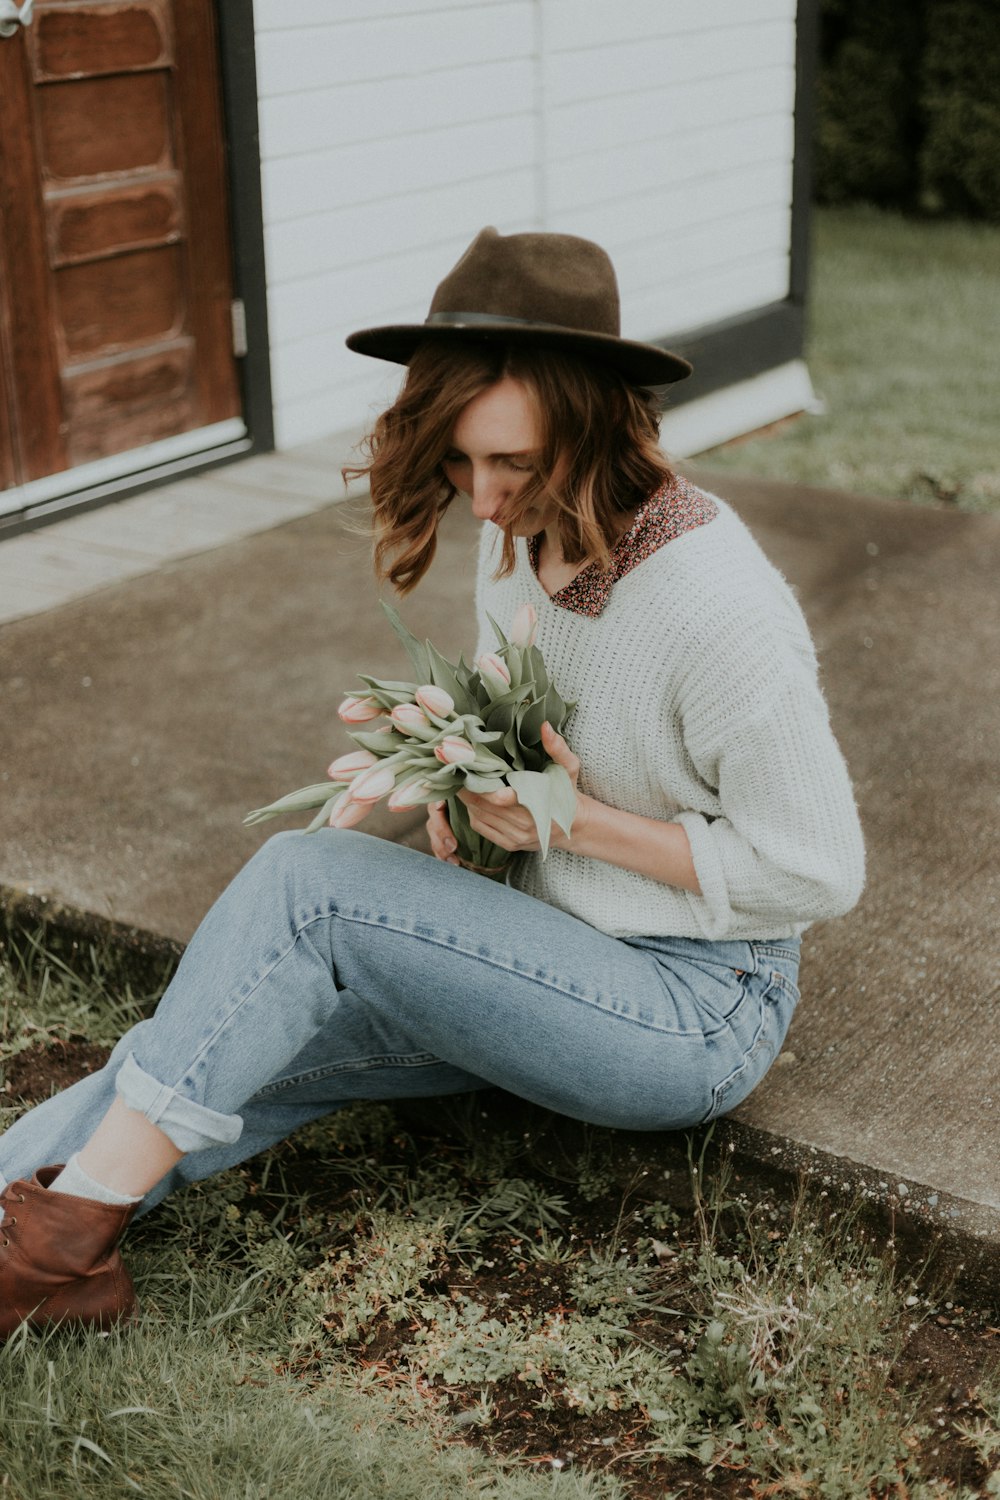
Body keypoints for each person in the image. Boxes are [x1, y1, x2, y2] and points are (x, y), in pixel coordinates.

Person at [0, 228, 865, 1336]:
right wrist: (451, 791)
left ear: (598, 416)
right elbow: (527, 735)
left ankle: (48, 1261)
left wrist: (568, 821)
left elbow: (817, 871)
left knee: (307, 886)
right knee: (224, 1031)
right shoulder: (523, 540)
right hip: (550, 941)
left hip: (693, 1007)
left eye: (511, 463)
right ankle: (38, 1245)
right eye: (459, 462)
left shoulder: (718, 608)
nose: (484, 501)